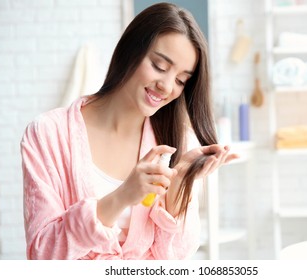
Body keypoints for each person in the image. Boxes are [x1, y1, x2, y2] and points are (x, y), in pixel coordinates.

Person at [20, 2, 238, 260]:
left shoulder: (178, 141)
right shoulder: (47, 134)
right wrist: (122, 196)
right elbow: (42, 255)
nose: (167, 86)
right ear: (130, 51)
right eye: (159, 66)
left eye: (181, 80)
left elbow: (177, 258)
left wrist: (178, 185)